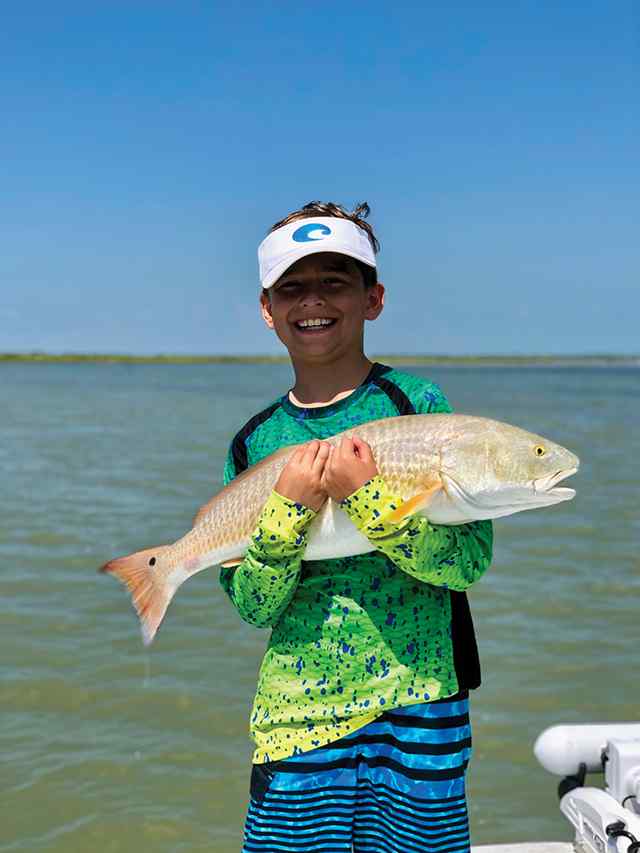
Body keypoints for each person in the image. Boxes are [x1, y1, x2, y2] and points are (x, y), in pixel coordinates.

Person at [220, 201, 493, 853]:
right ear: (267, 308)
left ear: (373, 297)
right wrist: (287, 511)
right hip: (297, 718)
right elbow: (255, 606)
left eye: (335, 280)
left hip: (422, 704)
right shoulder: (256, 442)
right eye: (292, 286)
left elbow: (467, 562)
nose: (313, 299)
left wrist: (368, 499)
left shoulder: (419, 407)